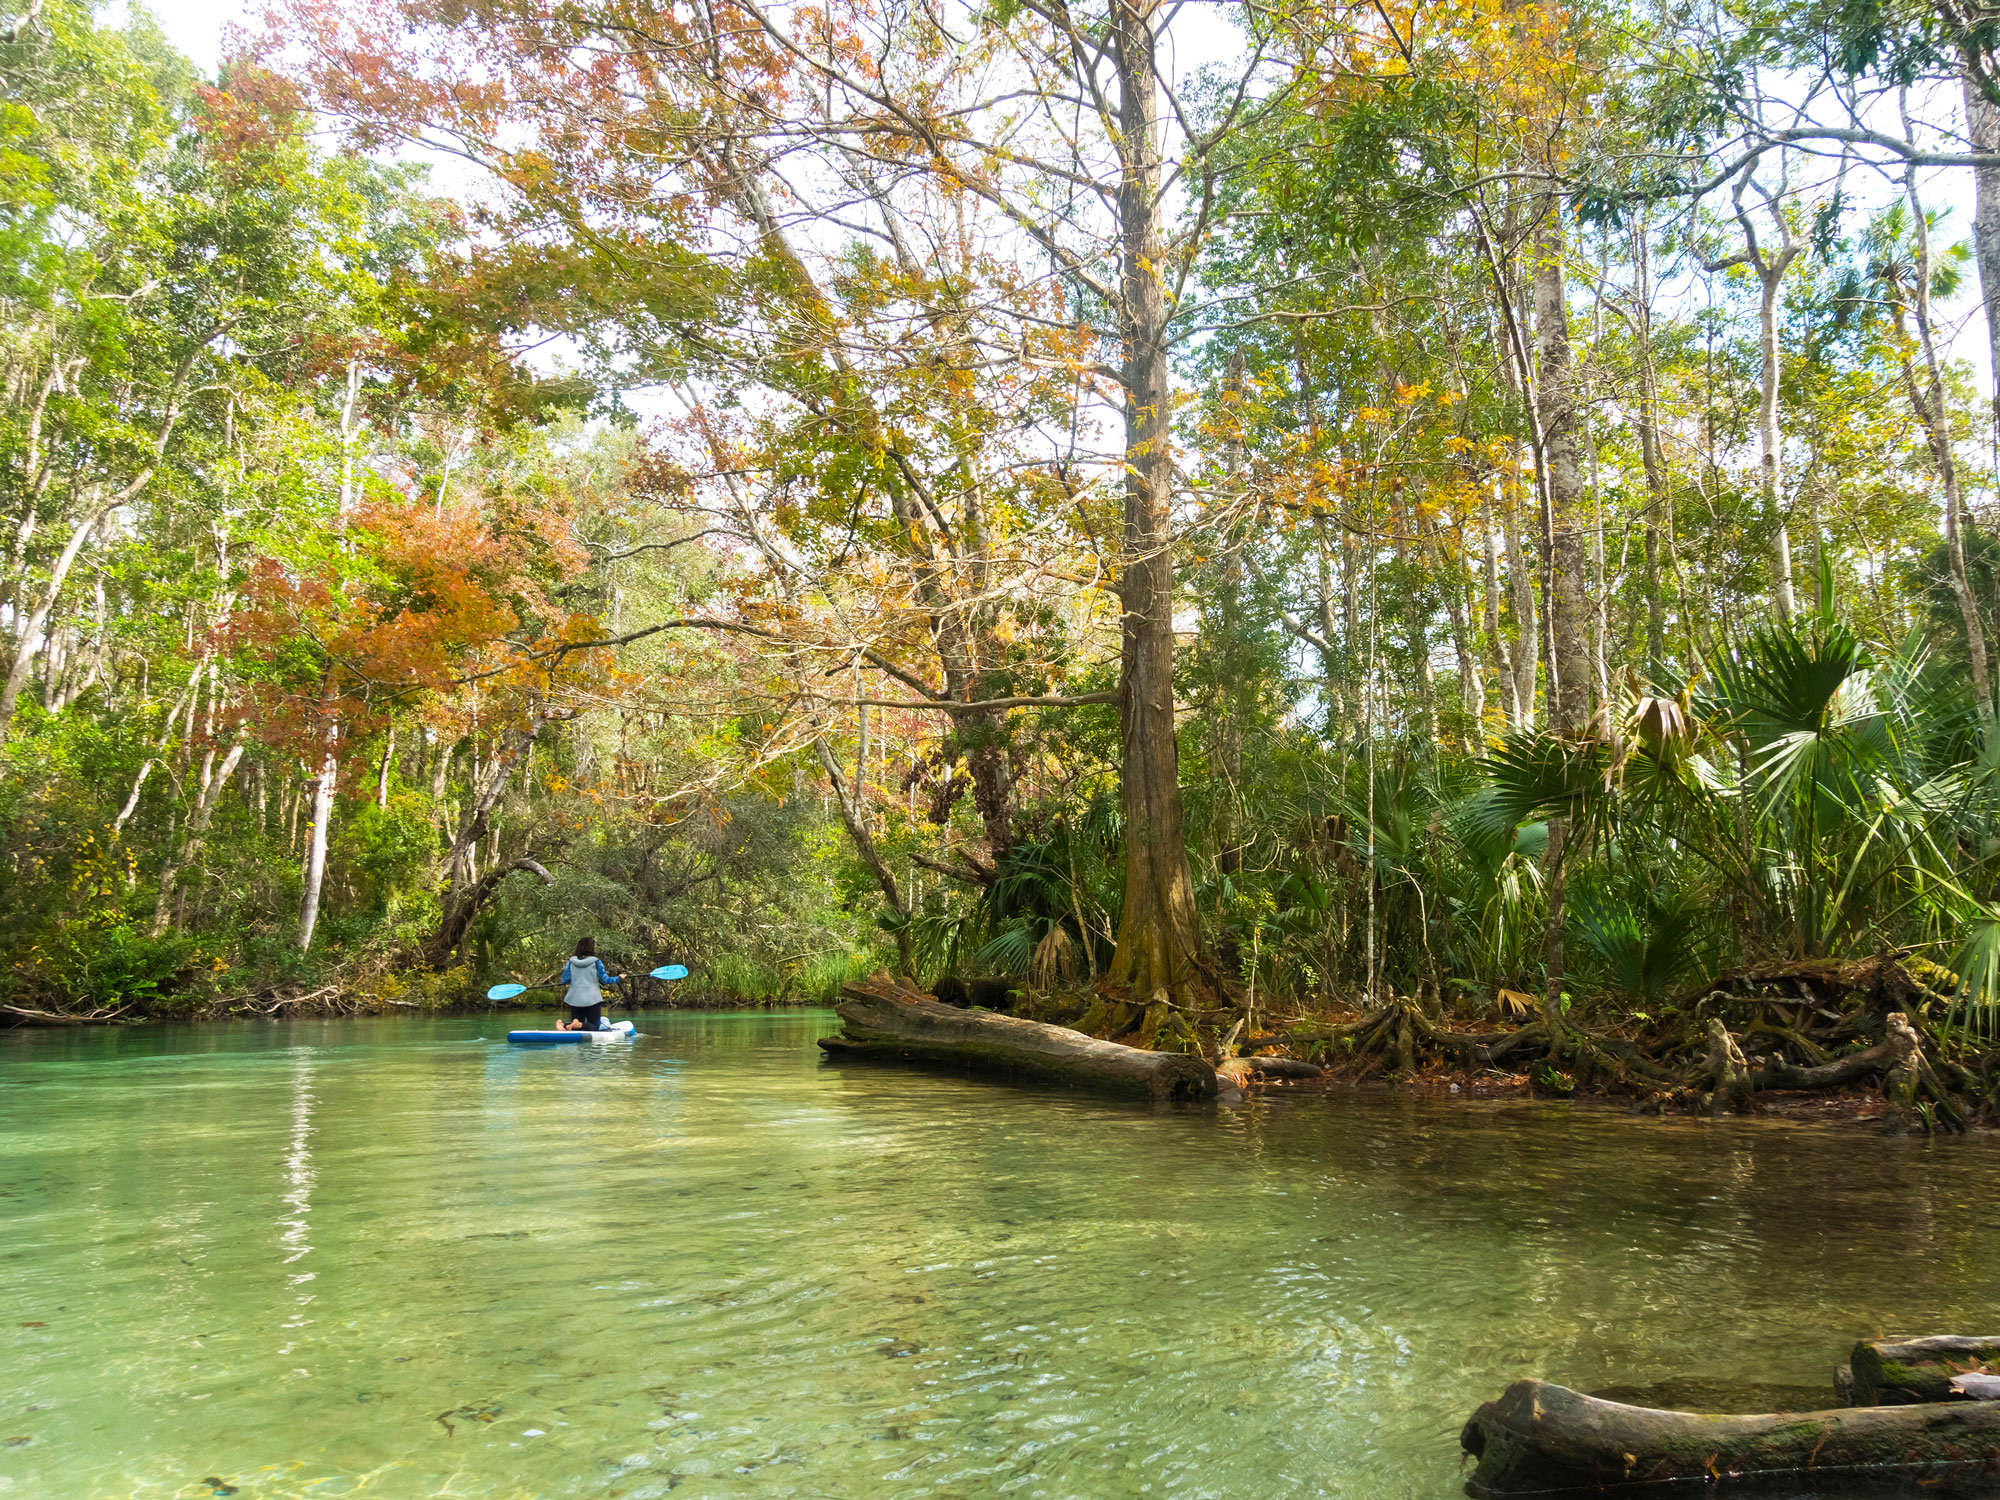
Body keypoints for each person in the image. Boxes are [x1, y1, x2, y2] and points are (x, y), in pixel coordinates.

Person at [551, 937, 620, 1031]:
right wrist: (619, 978)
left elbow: (564, 980)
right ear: (592, 948)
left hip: (575, 999)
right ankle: (578, 1024)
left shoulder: (571, 962)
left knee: (576, 1030)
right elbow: (605, 980)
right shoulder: (596, 962)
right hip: (592, 999)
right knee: (594, 1027)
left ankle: (563, 1025)